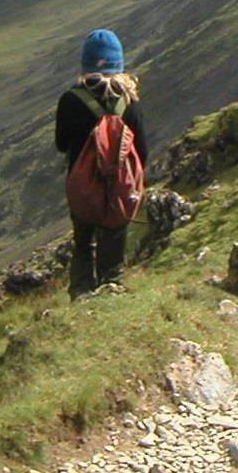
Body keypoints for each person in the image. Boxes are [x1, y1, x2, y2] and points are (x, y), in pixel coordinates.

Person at [56, 28, 147, 297]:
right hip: (119, 190)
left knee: (83, 245)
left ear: (86, 64)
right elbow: (142, 151)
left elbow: (62, 144)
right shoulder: (130, 102)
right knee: (113, 248)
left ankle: (81, 297)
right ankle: (111, 293)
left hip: (82, 188)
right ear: (119, 64)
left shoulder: (72, 100)